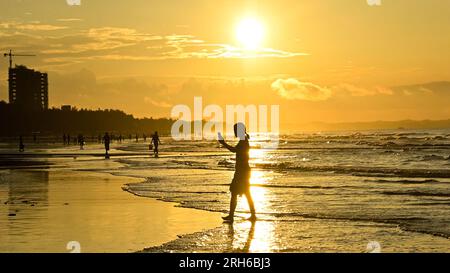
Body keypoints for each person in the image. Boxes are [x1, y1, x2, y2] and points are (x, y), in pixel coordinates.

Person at [218, 123, 256, 223]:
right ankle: (252, 215)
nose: (234, 132)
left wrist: (223, 143)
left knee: (235, 192)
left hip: (242, 172)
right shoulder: (244, 140)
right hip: (243, 171)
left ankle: (232, 216)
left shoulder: (243, 141)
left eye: (235, 130)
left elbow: (234, 150)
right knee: (246, 193)